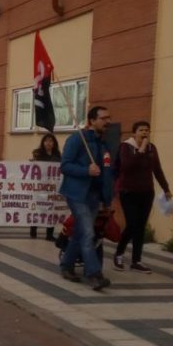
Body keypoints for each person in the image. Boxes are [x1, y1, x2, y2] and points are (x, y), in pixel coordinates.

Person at [58, 106, 114, 291]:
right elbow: (65, 165)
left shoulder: (103, 144)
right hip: (76, 194)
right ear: (92, 120)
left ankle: (66, 265)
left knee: (81, 232)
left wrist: (107, 200)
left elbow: (106, 174)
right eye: (103, 118)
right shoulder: (77, 139)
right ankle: (94, 274)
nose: (107, 121)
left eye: (108, 118)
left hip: (93, 195)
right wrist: (85, 171)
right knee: (89, 233)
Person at [112, 121, 171, 274]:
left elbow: (157, 169)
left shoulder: (153, 148)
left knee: (140, 227)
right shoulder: (126, 147)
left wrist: (166, 188)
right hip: (128, 191)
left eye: (147, 130)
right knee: (131, 225)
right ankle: (119, 253)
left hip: (146, 192)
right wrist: (141, 149)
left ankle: (136, 260)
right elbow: (127, 166)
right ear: (134, 132)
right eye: (141, 130)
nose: (144, 133)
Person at [29, 133, 61, 241]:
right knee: (37, 209)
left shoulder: (57, 157)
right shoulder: (38, 154)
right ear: (43, 142)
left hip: (52, 188)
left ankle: (49, 234)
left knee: (51, 210)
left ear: (54, 143)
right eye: (46, 141)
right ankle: (33, 230)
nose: (48, 143)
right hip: (40, 187)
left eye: (51, 141)